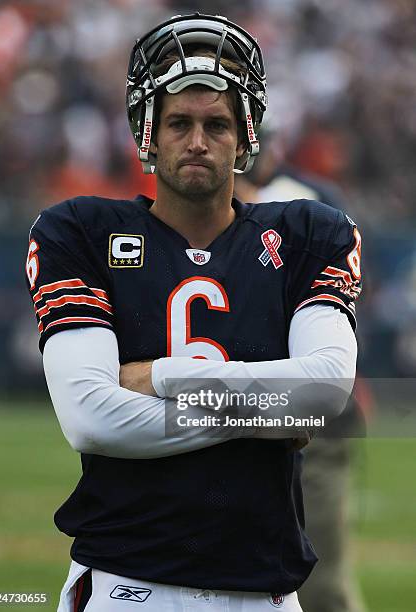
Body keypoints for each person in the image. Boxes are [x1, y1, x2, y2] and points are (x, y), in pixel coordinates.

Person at [25, 14, 361, 612]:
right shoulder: (78, 231)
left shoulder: (310, 232)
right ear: (147, 132)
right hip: (127, 584)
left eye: (217, 124)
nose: (199, 142)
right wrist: (265, 413)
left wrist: (159, 378)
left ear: (246, 134)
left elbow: (325, 389)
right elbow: (91, 420)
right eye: (179, 122)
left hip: (265, 590)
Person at [236, 142, 367, 612]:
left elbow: (341, 292)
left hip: (298, 403)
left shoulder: (298, 200)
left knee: (316, 580)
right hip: (238, 405)